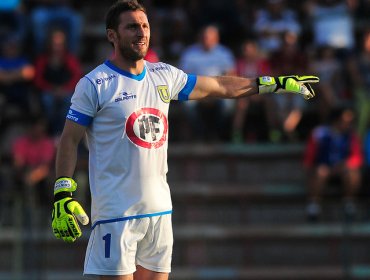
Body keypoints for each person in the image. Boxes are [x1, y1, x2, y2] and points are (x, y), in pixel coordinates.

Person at [50, 1, 319, 279]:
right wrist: (62, 193)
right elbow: (69, 140)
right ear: (112, 36)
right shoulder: (95, 84)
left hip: (160, 212)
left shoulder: (163, 75)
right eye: (132, 27)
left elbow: (219, 86)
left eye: (145, 26)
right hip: (115, 215)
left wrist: (271, 83)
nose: (141, 33)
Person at [304, 106, 363, 221]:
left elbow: (357, 157)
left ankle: (349, 203)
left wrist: (346, 164)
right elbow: (309, 157)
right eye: (346, 121)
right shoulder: (319, 133)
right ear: (337, 120)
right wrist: (311, 168)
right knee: (321, 172)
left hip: (343, 169)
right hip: (323, 167)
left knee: (353, 173)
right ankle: (313, 205)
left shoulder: (351, 135)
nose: (348, 124)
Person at [33, 28, 82, 135]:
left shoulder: (69, 59)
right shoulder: (43, 59)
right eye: (54, 44)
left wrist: (64, 89)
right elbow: (38, 80)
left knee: (69, 101)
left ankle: (63, 131)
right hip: (48, 91)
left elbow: (76, 77)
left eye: (60, 44)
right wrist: (51, 89)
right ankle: (50, 130)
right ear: (49, 44)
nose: (57, 47)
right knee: (47, 101)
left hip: (66, 91)